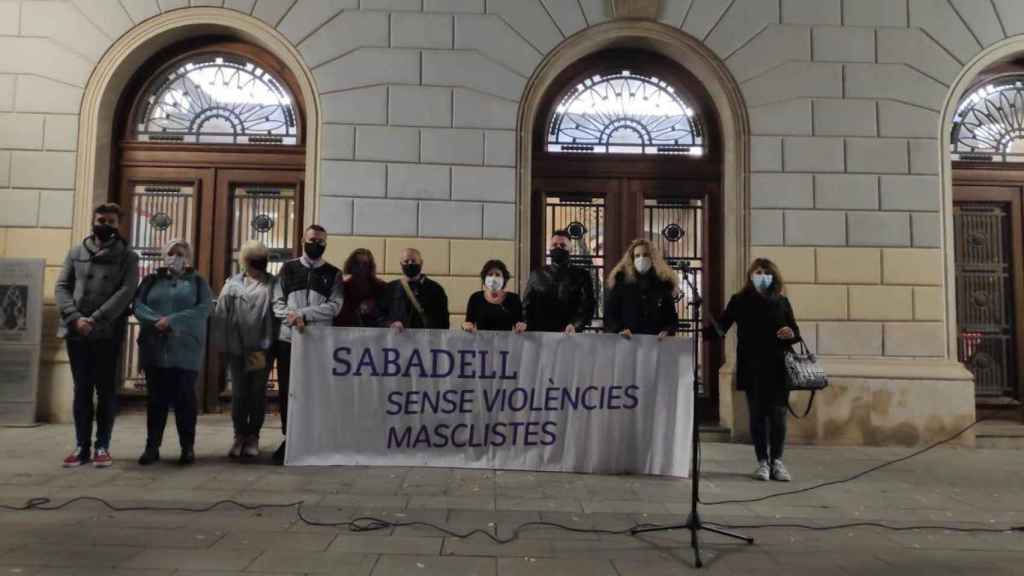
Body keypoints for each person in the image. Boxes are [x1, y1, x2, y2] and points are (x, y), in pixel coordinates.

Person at [55, 202, 140, 468]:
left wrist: (95, 319)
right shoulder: (76, 252)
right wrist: (75, 317)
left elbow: (126, 291)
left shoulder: (128, 256)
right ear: (93, 221)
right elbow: (61, 286)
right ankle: (81, 445)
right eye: (101, 220)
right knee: (82, 390)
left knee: (105, 391)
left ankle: (102, 445)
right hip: (76, 331)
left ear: (118, 225)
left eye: (111, 222)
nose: (104, 225)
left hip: (106, 332)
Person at [708, 258, 801, 482]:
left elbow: (795, 332)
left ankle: (777, 461)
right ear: (750, 275)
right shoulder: (739, 301)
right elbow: (721, 326)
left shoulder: (782, 302)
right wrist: (703, 327)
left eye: (766, 272)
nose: (762, 276)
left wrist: (791, 333)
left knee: (778, 415)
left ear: (773, 276)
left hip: (779, 365)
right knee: (758, 416)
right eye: (758, 272)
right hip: (752, 366)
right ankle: (762, 462)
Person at [133, 240, 211, 466]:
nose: (174, 257)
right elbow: (138, 305)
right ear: (163, 255)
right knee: (155, 401)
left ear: (187, 257)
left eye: (180, 253)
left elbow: (204, 308)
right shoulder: (150, 280)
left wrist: (173, 321)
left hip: (185, 350)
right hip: (155, 348)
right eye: (170, 253)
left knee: (185, 401)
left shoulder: (197, 281)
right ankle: (152, 447)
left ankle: (187, 448)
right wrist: (157, 320)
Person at [271, 225, 343, 465]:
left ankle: (314, 439)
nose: (317, 244)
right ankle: (289, 438)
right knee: (288, 391)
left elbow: (335, 306)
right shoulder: (288, 268)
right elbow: (277, 303)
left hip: (318, 342)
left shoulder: (333, 273)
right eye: (313, 240)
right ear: (304, 239)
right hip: (289, 340)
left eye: (322, 241)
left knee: (315, 391)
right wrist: (292, 317)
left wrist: (303, 314)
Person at [211, 240, 278, 460]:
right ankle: (239, 435)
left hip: (259, 348)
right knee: (239, 394)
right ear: (246, 262)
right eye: (255, 259)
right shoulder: (232, 285)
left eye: (263, 259)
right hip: (237, 349)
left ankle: (253, 437)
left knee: (256, 393)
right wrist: (222, 346)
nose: (261, 264)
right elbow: (221, 316)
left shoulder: (272, 284)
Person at [522, 230, 595, 334]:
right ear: (549, 248)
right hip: (541, 336)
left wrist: (575, 325)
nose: (558, 248)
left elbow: (587, 305)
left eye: (563, 245)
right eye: (554, 245)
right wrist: (526, 324)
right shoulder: (536, 275)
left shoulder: (582, 275)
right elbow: (527, 305)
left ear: (570, 249)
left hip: (570, 335)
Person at [603, 239, 678, 339]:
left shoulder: (663, 284)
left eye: (645, 255)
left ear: (652, 258)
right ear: (632, 259)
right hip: (627, 341)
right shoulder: (621, 282)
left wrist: (667, 330)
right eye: (637, 256)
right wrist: (619, 329)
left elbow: (671, 316)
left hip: (655, 343)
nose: (641, 259)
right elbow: (610, 313)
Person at [381, 248, 450, 330]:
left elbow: (443, 320)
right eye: (406, 261)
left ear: (421, 263)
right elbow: (381, 316)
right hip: (398, 340)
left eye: (413, 261)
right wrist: (391, 324)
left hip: (426, 340)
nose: (410, 263)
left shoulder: (435, 289)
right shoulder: (390, 288)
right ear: (401, 264)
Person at [462, 259, 526, 333]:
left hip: (506, 343)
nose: (494, 278)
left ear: (504, 279)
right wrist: (465, 326)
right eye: (490, 274)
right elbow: (468, 324)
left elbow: (520, 325)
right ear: (484, 278)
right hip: (482, 343)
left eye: (498, 275)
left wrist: (521, 326)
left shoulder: (513, 299)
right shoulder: (476, 298)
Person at [335, 248, 388, 328]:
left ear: (370, 267)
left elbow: (387, 314)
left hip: (374, 334)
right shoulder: (342, 287)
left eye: (365, 264)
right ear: (351, 265)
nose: (361, 268)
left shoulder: (381, 287)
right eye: (357, 263)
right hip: (347, 333)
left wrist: (374, 309)